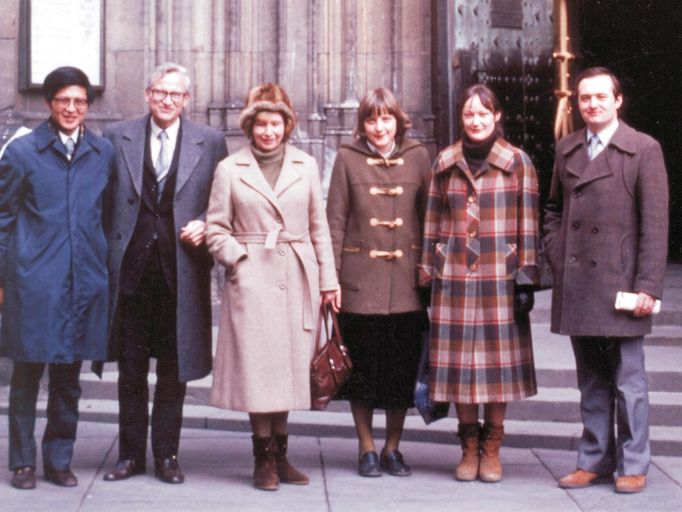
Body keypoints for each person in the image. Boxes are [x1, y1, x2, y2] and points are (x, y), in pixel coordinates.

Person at [206, 83, 340, 491]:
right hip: (252, 282)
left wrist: (328, 281)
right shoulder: (231, 169)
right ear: (250, 127)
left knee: (290, 371)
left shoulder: (306, 165)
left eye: (275, 123)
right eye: (261, 123)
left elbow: (319, 227)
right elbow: (215, 227)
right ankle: (262, 457)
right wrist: (238, 258)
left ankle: (281, 454)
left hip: (298, 277)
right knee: (257, 372)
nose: (268, 131)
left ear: (287, 125)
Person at [101, 62, 228, 484]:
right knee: (132, 370)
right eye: (160, 92)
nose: (167, 100)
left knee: (173, 373)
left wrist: (209, 221)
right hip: (133, 273)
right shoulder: (118, 135)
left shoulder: (209, 142)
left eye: (175, 94)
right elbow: (104, 202)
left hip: (181, 272)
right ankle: (130, 455)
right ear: (147, 94)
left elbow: (225, 200)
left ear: (187, 100)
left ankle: (167, 457)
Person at [543, 67, 668, 494]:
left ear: (618, 101)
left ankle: (633, 463)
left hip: (623, 285)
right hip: (579, 283)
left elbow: (655, 225)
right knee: (591, 380)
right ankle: (593, 459)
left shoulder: (643, 150)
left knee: (628, 381)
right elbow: (553, 211)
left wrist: (648, 286)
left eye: (600, 97)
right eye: (584, 98)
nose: (592, 104)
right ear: (576, 104)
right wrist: (557, 256)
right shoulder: (566, 149)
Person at [419, 84, 540, 483]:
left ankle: (492, 446)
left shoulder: (517, 162)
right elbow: (432, 222)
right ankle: (468, 444)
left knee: (495, 367)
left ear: (496, 117)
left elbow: (528, 223)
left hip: (498, 276)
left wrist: (526, 277)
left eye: (483, 115)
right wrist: (427, 268)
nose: (475, 121)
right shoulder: (444, 162)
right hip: (454, 274)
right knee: (458, 368)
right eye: (469, 115)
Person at [0, 67, 113, 489]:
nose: (71, 108)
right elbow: (4, 219)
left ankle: (59, 459)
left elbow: (104, 217)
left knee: (68, 380)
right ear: (49, 103)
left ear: (88, 105)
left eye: (79, 101)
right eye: (63, 100)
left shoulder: (102, 153)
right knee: (27, 377)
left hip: (83, 283)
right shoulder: (23, 152)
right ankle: (22, 463)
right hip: (33, 282)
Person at [325, 87, 430, 478]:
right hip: (359, 283)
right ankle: (366, 446)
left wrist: (428, 269)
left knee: (400, 372)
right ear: (363, 124)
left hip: (406, 283)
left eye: (386, 119)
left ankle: (393, 447)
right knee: (363, 371)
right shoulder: (347, 158)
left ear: (398, 121)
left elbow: (429, 217)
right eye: (372, 119)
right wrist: (330, 279)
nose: (379, 127)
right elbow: (334, 221)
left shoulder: (419, 157)